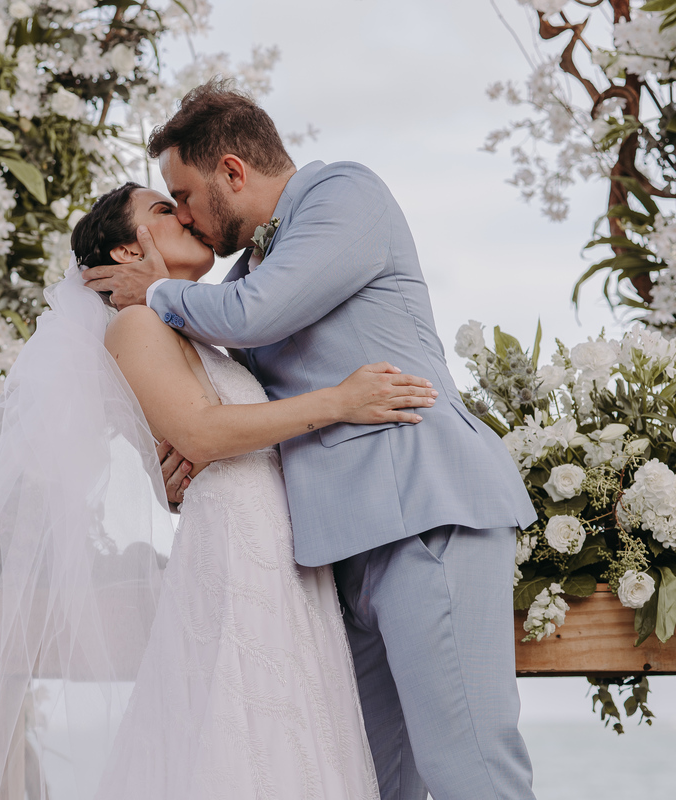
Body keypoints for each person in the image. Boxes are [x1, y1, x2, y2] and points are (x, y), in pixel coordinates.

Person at [0, 179, 439, 799]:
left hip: (275, 547)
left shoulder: (183, 326)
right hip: (236, 548)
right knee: (248, 731)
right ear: (126, 252)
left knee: (294, 733)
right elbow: (200, 432)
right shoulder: (135, 326)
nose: (186, 217)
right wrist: (340, 401)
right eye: (163, 210)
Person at [83, 80, 539, 800]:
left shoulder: (343, 197)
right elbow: (235, 398)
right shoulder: (240, 273)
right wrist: (182, 457)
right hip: (332, 558)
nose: (192, 219)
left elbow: (256, 315)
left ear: (234, 172)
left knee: (469, 772)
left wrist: (157, 290)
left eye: (186, 195)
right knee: (372, 783)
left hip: (423, 513)